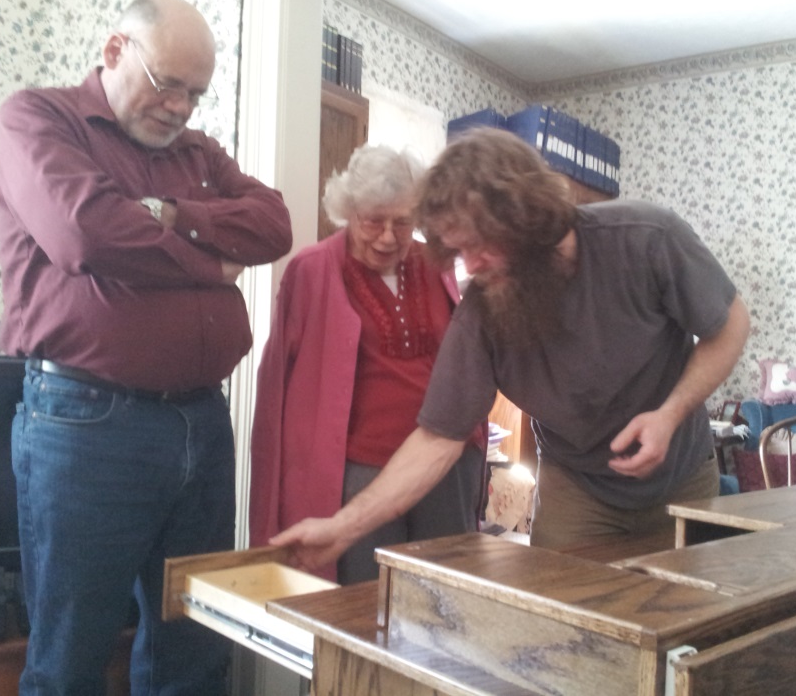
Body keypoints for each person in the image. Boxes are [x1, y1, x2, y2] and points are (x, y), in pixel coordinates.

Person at [0, 0, 292, 695]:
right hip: (85, 422)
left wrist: (167, 216)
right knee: (70, 658)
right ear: (116, 49)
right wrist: (213, 264)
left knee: (196, 647)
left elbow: (272, 225)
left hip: (202, 423)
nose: (181, 107)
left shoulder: (197, 154)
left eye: (196, 93)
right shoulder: (38, 118)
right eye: (168, 83)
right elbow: (84, 234)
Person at [271, 126, 750, 570]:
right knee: (565, 627)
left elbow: (729, 326)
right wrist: (341, 528)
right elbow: (438, 438)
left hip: (683, 476)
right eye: (458, 251)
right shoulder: (483, 310)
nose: (471, 266)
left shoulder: (647, 238)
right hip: (577, 484)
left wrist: (670, 413)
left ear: (529, 215)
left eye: (482, 245)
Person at [249, 144, 486, 584]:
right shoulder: (312, 270)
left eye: (403, 221)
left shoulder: (433, 262)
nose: (388, 237)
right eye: (373, 220)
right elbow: (279, 385)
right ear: (348, 211)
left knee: (444, 594)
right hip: (359, 469)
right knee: (366, 599)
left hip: (443, 461)